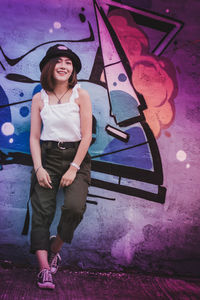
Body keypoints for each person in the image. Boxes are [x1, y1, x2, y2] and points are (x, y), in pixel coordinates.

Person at [29, 44, 92, 289]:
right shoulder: (39, 98)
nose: (63, 66)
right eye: (58, 61)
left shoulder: (81, 95)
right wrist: (38, 168)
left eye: (68, 62)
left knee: (75, 208)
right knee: (42, 212)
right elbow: (34, 137)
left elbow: (87, 135)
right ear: (49, 66)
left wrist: (74, 167)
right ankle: (44, 270)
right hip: (47, 158)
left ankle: (56, 248)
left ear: (72, 68)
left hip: (77, 157)